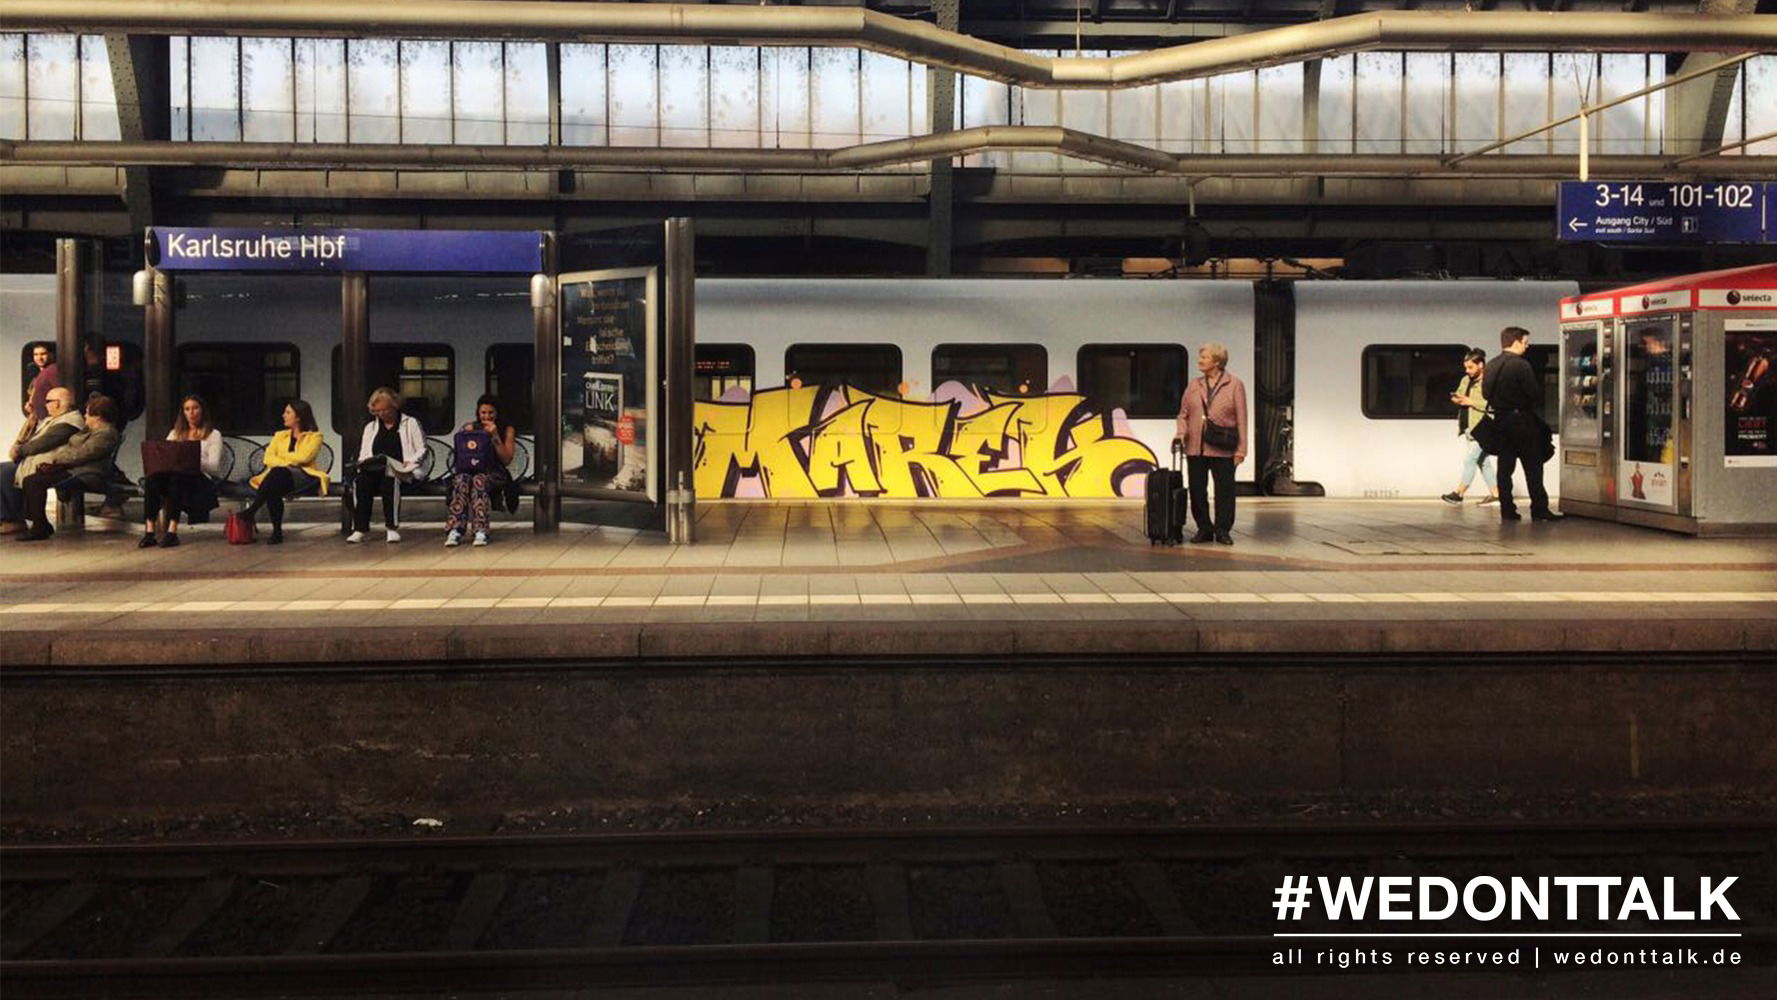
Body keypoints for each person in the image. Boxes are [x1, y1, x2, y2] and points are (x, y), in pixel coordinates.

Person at [15, 394, 122, 541]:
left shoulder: (106, 434)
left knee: (34, 481)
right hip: (74, 469)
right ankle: (41, 523)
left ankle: (40, 526)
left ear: (98, 416)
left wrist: (55, 460)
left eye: (88, 413)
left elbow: (83, 454)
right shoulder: (90, 430)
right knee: (31, 479)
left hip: (88, 473)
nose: (85, 416)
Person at [1482, 326, 1561, 523]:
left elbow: (1485, 394)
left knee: (1504, 469)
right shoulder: (1521, 365)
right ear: (1516, 342)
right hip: (1522, 422)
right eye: (1525, 342)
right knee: (1533, 467)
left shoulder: (1491, 365)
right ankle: (1539, 509)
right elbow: (1533, 393)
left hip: (1501, 421)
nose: (1527, 346)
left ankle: (1507, 510)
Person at [1173, 340, 1249, 546]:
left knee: (1225, 491)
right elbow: (1183, 414)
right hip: (1195, 448)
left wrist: (1241, 450)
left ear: (1217, 362)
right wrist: (1181, 433)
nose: (1200, 360)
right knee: (1197, 490)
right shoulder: (1194, 385)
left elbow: (1242, 418)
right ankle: (1204, 528)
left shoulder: (1235, 385)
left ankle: (1223, 530)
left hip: (1223, 448)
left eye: (1204, 357)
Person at [138, 394, 225, 548]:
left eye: (195, 408)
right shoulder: (175, 433)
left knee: (177, 478)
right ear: (183, 412)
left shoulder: (213, 434)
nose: (191, 413)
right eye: (187, 409)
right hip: (174, 476)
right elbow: (166, 458)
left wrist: (190, 458)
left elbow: (214, 466)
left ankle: (172, 531)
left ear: (202, 410)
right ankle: (149, 531)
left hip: (199, 479)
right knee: (152, 479)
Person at [241, 400, 329, 545]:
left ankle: (253, 511)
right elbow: (267, 458)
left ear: (298, 417)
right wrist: (288, 462)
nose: (283, 415)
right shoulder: (280, 435)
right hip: (280, 477)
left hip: (304, 475)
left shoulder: (315, 437)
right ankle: (276, 532)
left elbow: (304, 458)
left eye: (288, 412)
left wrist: (281, 457)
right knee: (275, 483)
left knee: (276, 474)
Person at [349, 386, 425, 544]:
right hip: (375, 469)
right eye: (377, 411)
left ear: (394, 406)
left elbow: (422, 449)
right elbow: (364, 453)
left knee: (390, 480)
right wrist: (364, 463)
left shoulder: (410, 423)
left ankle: (392, 528)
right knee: (361, 482)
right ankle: (360, 529)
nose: (382, 414)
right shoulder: (370, 427)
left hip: (403, 470)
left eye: (385, 410)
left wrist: (411, 461)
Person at [1, 386, 81, 534]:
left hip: (50, 463)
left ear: (58, 403)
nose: (45, 405)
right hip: (36, 460)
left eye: (48, 401)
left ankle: (14, 519)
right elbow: (31, 439)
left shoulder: (69, 422)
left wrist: (19, 451)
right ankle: (7, 517)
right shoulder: (52, 420)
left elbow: (43, 443)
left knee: (6, 473)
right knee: (3, 468)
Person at [444, 394, 517, 548]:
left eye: (491, 412)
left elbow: (506, 459)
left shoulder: (507, 429)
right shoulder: (471, 427)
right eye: (483, 412)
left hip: (494, 472)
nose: (487, 416)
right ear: (478, 412)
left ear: (497, 413)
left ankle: (480, 529)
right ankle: (455, 529)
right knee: (461, 480)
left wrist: (495, 435)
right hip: (469, 470)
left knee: (479, 481)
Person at [1441, 348, 1499, 506]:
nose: (1467, 371)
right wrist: (1457, 399)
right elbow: (1460, 394)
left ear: (1481, 365)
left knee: (1470, 460)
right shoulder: (1465, 380)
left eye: (1470, 367)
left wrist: (1470, 402)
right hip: (1468, 427)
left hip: (1482, 427)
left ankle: (1459, 494)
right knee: (1483, 462)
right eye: (1466, 367)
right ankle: (1497, 495)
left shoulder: (1489, 382)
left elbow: (1494, 404)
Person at [21, 344, 51, 417]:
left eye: (43, 354)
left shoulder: (51, 373)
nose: (39, 358)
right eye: (36, 354)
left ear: (50, 355)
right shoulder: (34, 375)